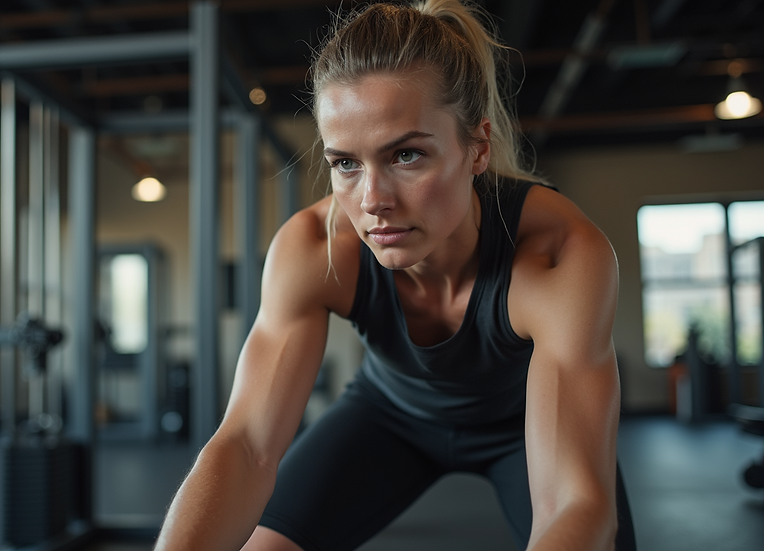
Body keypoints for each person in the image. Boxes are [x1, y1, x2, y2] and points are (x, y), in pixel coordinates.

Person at [156, 1, 635, 550]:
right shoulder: (316, 248)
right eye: (346, 163)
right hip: (388, 415)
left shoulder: (557, 255)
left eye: (406, 155)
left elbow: (573, 503)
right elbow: (245, 446)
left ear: (477, 148)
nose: (372, 201)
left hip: (524, 425)